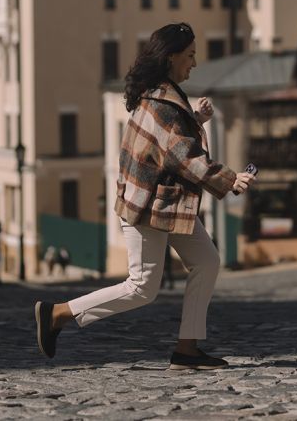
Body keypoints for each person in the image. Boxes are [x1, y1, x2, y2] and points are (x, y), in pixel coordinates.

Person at [34, 23, 255, 370]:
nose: (194, 63)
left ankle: (187, 349)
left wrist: (196, 118)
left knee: (207, 261)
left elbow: (168, 142)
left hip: (165, 204)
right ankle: (58, 314)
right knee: (141, 287)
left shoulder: (162, 93)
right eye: (190, 56)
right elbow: (183, 157)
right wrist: (230, 180)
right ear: (171, 58)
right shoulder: (162, 101)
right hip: (146, 207)